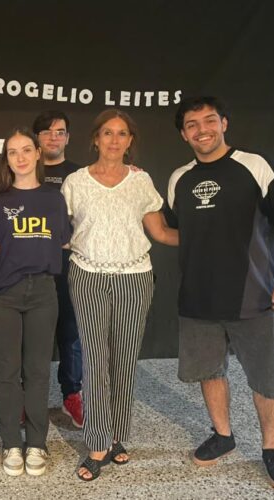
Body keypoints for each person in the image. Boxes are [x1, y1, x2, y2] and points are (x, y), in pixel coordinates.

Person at [166, 96, 274, 491]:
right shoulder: (180, 178)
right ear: (184, 135)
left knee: (267, 380)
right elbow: (179, 231)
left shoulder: (256, 165)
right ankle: (223, 435)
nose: (202, 129)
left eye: (209, 120)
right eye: (192, 124)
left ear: (224, 123)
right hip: (199, 299)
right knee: (210, 372)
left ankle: (271, 449)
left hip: (256, 298)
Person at [61, 109, 178, 481]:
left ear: (130, 141)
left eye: (122, 133)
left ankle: (116, 435)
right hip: (88, 276)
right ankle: (97, 443)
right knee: (96, 359)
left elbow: (160, 232)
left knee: (125, 359)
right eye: (107, 133)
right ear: (95, 138)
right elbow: (59, 230)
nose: (114, 140)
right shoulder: (75, 182)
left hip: (134, 277)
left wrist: (207, 237)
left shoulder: (141, 181)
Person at [0, 128, 72, 477]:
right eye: (13, 151)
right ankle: (11, 444)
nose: (20, 157)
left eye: (26, 150)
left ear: (37, 154)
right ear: (7, 159)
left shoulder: (54, 199)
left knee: (37, 371)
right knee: (7, 371)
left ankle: (36, 442)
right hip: (3, 295)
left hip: (44, 292)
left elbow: (64, 242)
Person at [32, 110, 84, 428]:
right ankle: (28, 398)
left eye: (60, 132)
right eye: (47, 132)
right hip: (30, 265)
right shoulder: (24, 169)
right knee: (30, 336)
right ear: (36, 138)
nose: (54, 137)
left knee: (71, 332)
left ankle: (72, 394)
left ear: (68, 137)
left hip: (69, 265)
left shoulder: (81, 175)